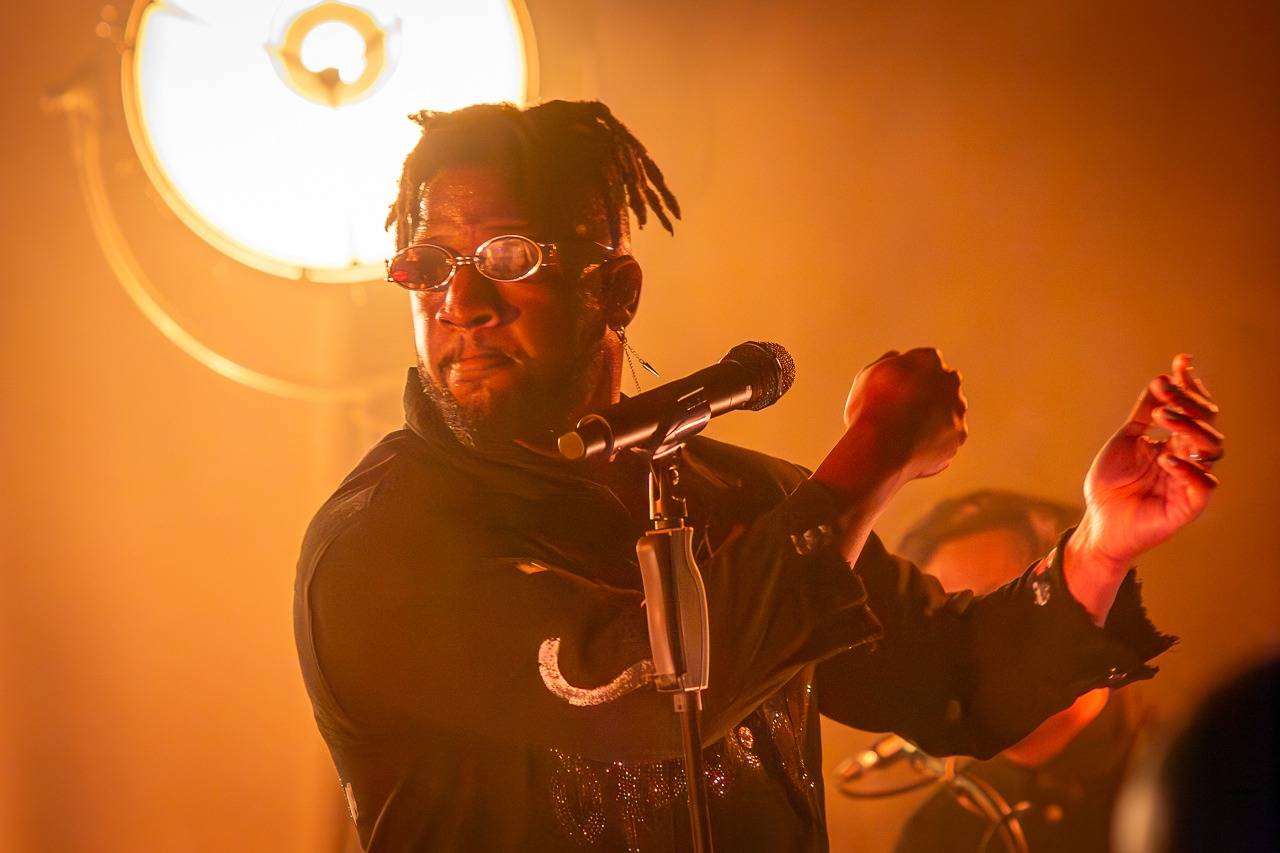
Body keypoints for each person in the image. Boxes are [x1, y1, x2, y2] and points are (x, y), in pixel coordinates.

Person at [292, 100, 1224, 852]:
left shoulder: (737, 498)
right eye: (429, 265)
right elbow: (649, 690)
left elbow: (955, 681)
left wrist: (1100, 545)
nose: (460, 302)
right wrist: (873, 454)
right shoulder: (382, 543)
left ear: (615, 290)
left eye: (506, 257)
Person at [891, 491, 1155, 853]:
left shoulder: (1200, 773)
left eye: (997, 606)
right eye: (946, 622)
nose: (967, 648)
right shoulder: (937, 831)